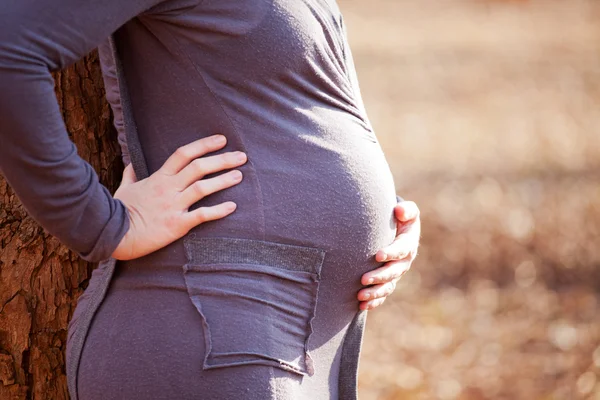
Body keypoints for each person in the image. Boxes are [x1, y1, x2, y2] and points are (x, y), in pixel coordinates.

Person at [0, 0, 421, 399]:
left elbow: (290, 99)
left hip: (299, 337)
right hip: (216, 323)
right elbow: (9, 50)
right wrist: (96, 222)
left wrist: (387, 216)